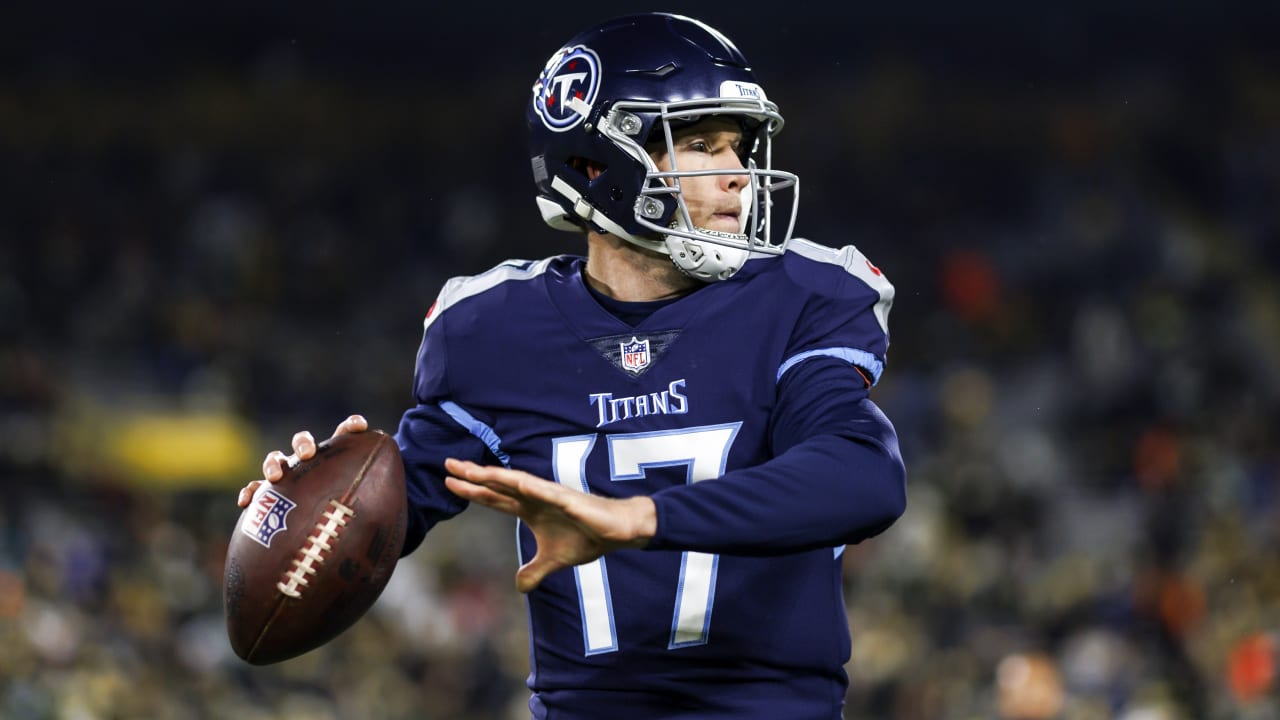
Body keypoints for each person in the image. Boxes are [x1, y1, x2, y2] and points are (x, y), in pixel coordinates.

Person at [237, 12, 906, 719]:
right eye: (701, 145)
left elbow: (863, 473)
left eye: (738, 147)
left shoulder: (798, 297)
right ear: (596, 166)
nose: (739, 176)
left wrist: (638, 518)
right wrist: (298, 508)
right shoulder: (495, 329)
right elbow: (394, 512)